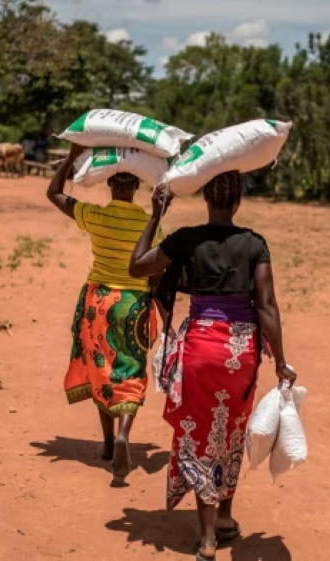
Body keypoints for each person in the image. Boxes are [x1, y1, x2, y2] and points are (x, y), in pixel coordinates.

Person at [128, 171, 296, 561]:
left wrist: (154, 216)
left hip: (200, 348)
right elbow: (267, 305)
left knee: (201, 434)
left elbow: (137, 266)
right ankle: (224, 517)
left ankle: (207, 539)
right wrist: (282, 361)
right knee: (231, 429)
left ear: (206, 198)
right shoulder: (255, 244)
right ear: (238, 202)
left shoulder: (186, 238)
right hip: (241, 352)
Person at [46, 142, 168, 484]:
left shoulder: (95, 216)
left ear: (111, 184)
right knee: (129, 368)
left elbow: (54, 194)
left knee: (102, 367)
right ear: (137, 188)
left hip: (97, 301)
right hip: (133, 304)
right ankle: (124, 433)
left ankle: (106, 444)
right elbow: (156, 273)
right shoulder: (150, 225)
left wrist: (71, 157)